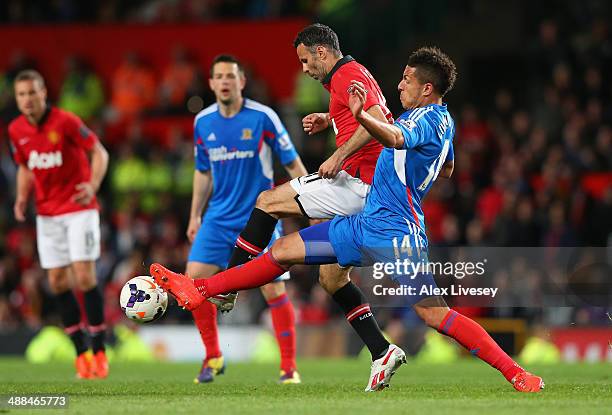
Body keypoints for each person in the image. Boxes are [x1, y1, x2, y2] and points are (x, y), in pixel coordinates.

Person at [150, 46, 545, 393]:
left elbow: (392, 138)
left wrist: (361, 116)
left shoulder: (426, 119)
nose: (400, 84)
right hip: (364, 223)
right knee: (285, 250)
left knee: (433, 313)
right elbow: (447, 169)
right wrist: (340, 119)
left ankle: (517, 374)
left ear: (427, 89)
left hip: (396, 230)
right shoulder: (439, 121)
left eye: (407, 80)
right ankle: (199, 288)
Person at [212, 23, 398, 381]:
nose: (304, 69)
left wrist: (340, 154)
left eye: (305, 60)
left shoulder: (346, 73)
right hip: (371, 189)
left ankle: (228, 285)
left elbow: (376, 116)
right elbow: (368, 113)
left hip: (359, 182)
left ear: (322, 52)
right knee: (330, 278)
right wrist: (330, 119)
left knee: (268, 200)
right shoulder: (346, 77)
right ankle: (382, 350)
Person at [185, 55, 308, 384]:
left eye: (231, 76)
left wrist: (311, 202)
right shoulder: (203, 122)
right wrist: (195, 214)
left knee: (272, 290)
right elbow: (202, 172)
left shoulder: (263, 117)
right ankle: (213, 357)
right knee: (193, 285)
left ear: (241, 82)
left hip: (259, 217)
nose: (225, 81)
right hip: (217, 218)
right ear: (211, 84)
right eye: (219, 76)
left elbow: (293, 164)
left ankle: (288, 368)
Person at [8, 70, 110, 379]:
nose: (27, 100)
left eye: (32, 93)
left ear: (43, 93)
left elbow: (99, 152)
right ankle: (81, 354)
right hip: (48, 214)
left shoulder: (66, 121)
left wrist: (92, 185)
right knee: (57, 282)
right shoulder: (15, 130)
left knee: (83, 275)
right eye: (21, 95)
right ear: (17, 99)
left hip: (79, 207)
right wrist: (22, 198)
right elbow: (25, 167)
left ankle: (100, 351)